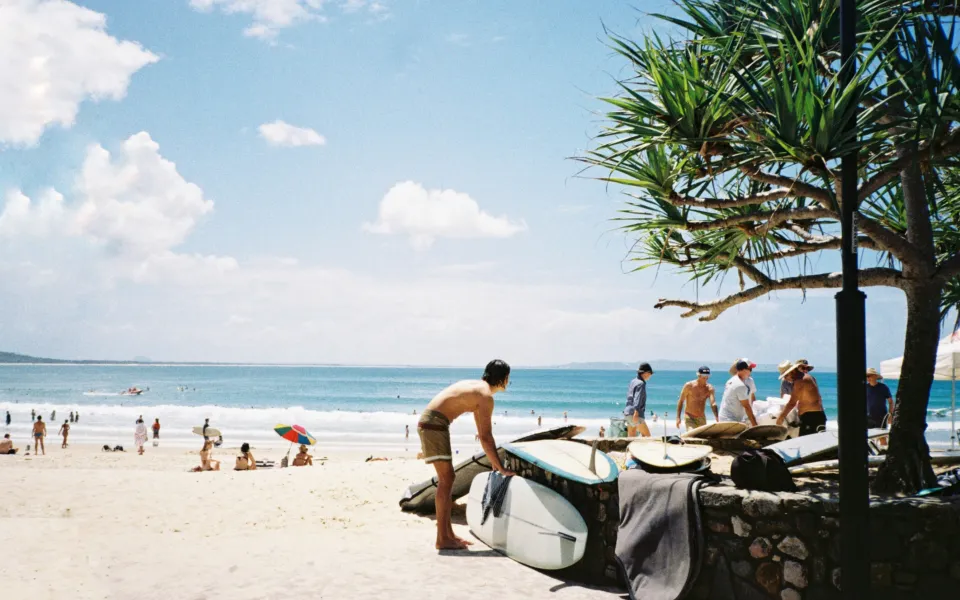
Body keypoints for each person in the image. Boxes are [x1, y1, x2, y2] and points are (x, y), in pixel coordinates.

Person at [417, 359, 515, 550]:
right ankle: (442, 539)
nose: (509, 381)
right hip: (434, 425)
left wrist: (495, 462)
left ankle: (448, 535)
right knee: (446, 479)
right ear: (503, 378)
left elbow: (482, 433)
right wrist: (501, 467)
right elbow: (486, 437)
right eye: (508, 377)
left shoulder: (478, 389)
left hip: (433, 423)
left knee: (448, 479)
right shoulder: (486, 396)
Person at [777, 361, 826, 435]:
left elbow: (792, 403)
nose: (785, 379)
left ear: (792, 371)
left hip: (811, 418)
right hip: (818, 416)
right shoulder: (810, 377)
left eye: (786, 376)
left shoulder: (800, 381)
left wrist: (780, 418)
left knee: (805, 444)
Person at [676, 366, 719, 431]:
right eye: (703, 375)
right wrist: (678, 417)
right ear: (699, 375)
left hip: (702, 418)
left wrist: (717, 416)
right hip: (690, 417)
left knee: (702, 438)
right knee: (692, 434)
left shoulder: (709, 388)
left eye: (707, 375)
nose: (705, 377)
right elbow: (681, 401)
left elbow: (713, 403)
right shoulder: (689, 386)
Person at [719, 360, 759, 427]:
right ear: (743, 369)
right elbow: (746, 406)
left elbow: (752, 396)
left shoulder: (746, 380)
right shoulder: (739, 385)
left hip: (732, 418)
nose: (751, 371)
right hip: (729, 420)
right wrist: (755, 426)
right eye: (750, 369)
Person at [624, 363, 654, 437]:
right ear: (646, 373)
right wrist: (636, 413)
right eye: (650, 373)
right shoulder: (641, 383)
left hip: (627, 412)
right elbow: (638, 398)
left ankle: (629, 449)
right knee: (647, 436)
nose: (650, 376)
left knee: (631, 437)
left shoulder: (633, 381)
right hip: (635, 413)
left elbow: (629, 397)